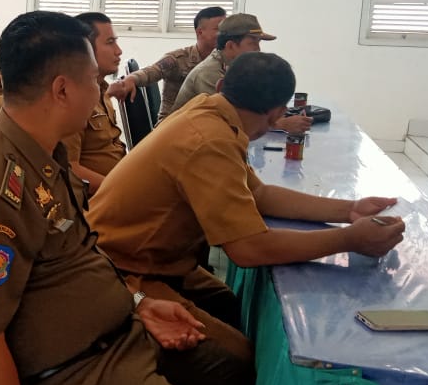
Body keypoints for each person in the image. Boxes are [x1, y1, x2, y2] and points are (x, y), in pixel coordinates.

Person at [0, 11, 254, 385]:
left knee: (244, 373)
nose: (100, 90)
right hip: (79, 378)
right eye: (92, 81)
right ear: (61, 89)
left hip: (123, 334)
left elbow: (77, 262)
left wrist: (136, 303)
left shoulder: (46, 155)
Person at [88, 52, 406, 345]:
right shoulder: (210, 139)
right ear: (279, 112)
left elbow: (259, 194)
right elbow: (249, 248)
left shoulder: (209, 110)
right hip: (119, 272)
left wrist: (349, 209)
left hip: (149, 259)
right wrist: (350, 240)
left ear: (224, 85)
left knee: (230, 307)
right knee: (237, 368)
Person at [166, 14, 313, 135]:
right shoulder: (208, 73)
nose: (258, 49)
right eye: (252, 42)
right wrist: (280, 124)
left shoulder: (230, 67)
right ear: (230, 45)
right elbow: (228, 121)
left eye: (259, 42)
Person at [107, 6, 224, 121]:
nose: (225, 34)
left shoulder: (225, 62)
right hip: (172, 126)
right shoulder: (178, 59)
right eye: (219, 29)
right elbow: (152, 71)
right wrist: (131, 79)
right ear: (200, 32)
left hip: (202, 123)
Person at [65, 12, 127, 194]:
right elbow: (69, 169)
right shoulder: (73, 100)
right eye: (110, 42)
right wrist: (121, 190)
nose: (119, 50)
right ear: (87, 49)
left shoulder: (102, 90)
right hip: (100, 199)